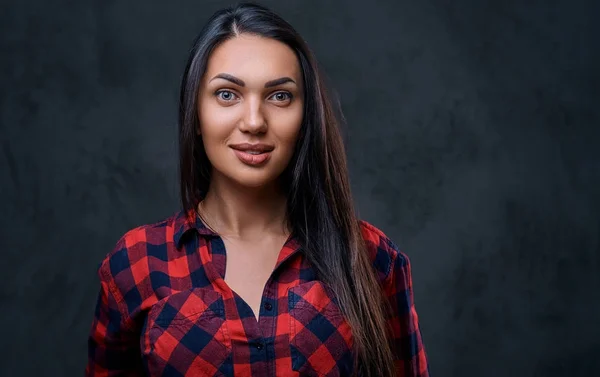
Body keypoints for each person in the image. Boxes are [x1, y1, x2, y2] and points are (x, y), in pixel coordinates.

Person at [85, 2, 429, 376]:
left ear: (305, 116)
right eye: (227, 94)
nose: (253, 122)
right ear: (195, 114)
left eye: (279, 96)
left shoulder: (370, 257)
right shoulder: (137, 263)